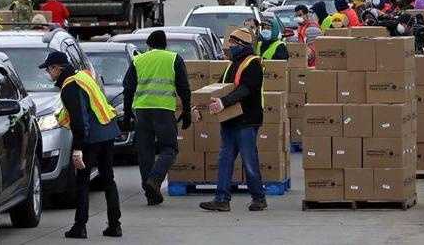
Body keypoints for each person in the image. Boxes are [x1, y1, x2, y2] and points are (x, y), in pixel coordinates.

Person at [39, 52, 122, 239]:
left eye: (48, 69)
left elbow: (79, 119)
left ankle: (80, 226)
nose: (48, 74)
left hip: (91, 138)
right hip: (107, 131)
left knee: (83, 182)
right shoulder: (83, 76)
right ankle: (115, 225)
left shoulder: (70, 86)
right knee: (108, 179)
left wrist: (77, 149)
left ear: (57, 69)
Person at [197, 28, 266, 212]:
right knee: (225, 159)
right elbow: (220, 87)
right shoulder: (231, 64)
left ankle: (258, 198)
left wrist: (223, 102)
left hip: (246, 120)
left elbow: (245, 89)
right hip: (230, 120)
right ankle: (221, 199)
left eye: (233, 43)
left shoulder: (252, 64)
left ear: (242, 45)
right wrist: (202, 104)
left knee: (249, 160)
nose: (230, 46)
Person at [122, 30, 192, 206]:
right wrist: (187, 110)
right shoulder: (173, 58)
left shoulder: (139, 60)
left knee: (145, 152)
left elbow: (128, 89)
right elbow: (184, 87)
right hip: (164, 110)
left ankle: (150, 194)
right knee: (169, 149)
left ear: (149, 44)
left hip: (142, 111)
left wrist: (127, 113)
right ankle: (154, 180)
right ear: (165, 44)